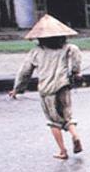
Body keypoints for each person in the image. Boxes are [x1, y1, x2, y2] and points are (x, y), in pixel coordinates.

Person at [8, 14, 84, 159]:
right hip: (63, 86)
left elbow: (24, 72)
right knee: (67, 116)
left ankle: (63, 151)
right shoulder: (68, 48)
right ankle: (75, 136)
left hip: (47, 90)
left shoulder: (35, 52)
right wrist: (76, 73)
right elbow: (76, 59)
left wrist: (17, 89)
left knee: (54, 121)